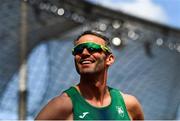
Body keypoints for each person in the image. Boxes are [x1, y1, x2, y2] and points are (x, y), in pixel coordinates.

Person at [35, 30, 144, 120]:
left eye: (92, 48)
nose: (84, 53)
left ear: (109, 59)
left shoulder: (129, 105)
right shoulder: (62, 105)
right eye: (78, 50)